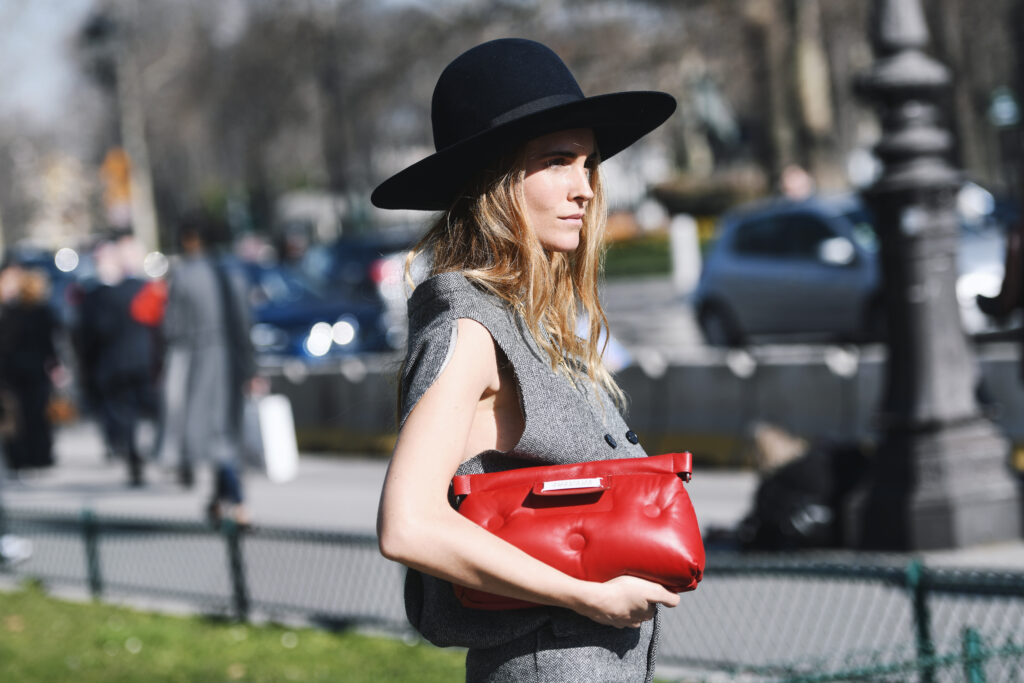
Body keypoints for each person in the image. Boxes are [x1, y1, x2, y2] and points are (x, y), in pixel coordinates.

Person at [372, 39, 680, 682]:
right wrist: (588, 596)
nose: (585, 188)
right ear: (496, 180)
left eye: (589, 162)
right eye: (557, 160)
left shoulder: (526, 320)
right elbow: (408, 525)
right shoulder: (469, 330)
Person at [158, 209, 257, 525]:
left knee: (214, 435)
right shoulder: (234, 273)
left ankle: (238, 501)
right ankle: (218, 499)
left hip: (200, 361)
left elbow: (173, 328)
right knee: (228, 430)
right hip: (234, 360)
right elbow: (245, 324)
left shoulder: (184, 276)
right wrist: (252, 368)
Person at [74, 231, 163, 486]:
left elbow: (89, 334)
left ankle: (135, 457)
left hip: (116, 362)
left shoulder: (98, 296)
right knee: (150, 410)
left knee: (129, 415)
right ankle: (161, 456)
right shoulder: (140, 289)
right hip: (142, 359)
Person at [0, 264, 61, 473]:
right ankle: (38, 456)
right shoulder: (39, 312)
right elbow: (49, 344)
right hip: (31, 371)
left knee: (21, 417)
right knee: (33, 415)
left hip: (16, 373)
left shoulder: (12, 312)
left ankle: (25, 458)